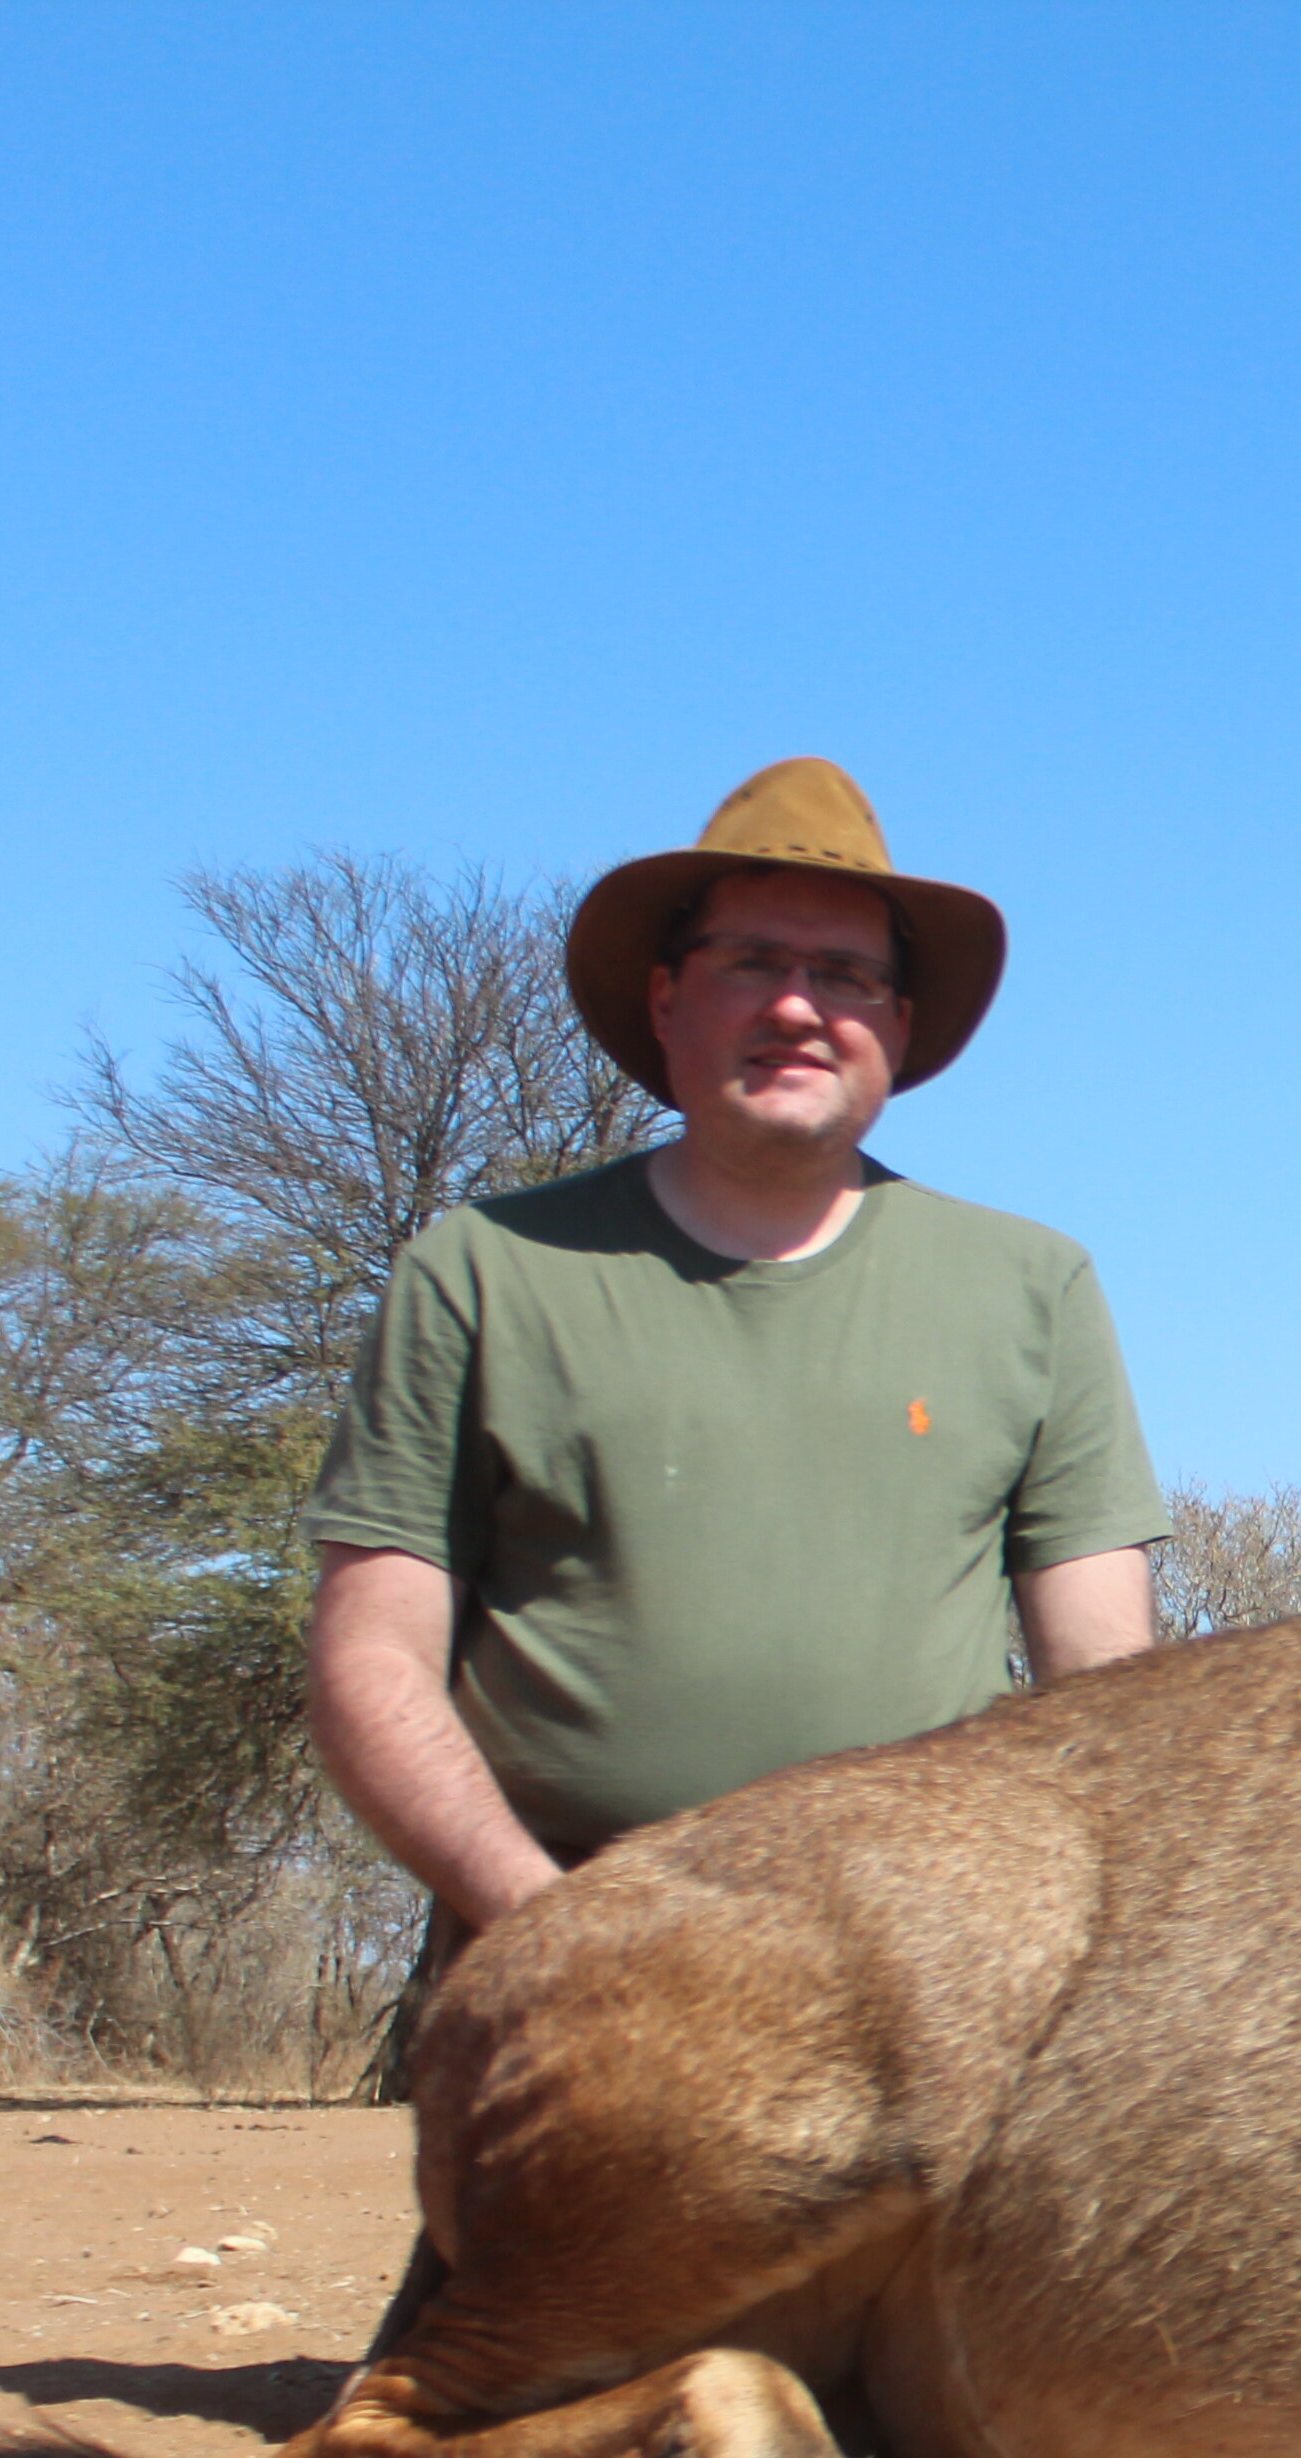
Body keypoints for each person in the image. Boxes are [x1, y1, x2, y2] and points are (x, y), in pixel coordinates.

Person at [303, 760, 1166, 1944]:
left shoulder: (1035, 1285)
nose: (799, 1007)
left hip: (928, 1970)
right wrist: (540, 1922)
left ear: (898, 1025)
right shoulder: (481, 1269)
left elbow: (1104, 1684)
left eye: (848, 976)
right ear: (666, 999)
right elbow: (372, 1658)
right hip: (558, 1953)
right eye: (753, 961)